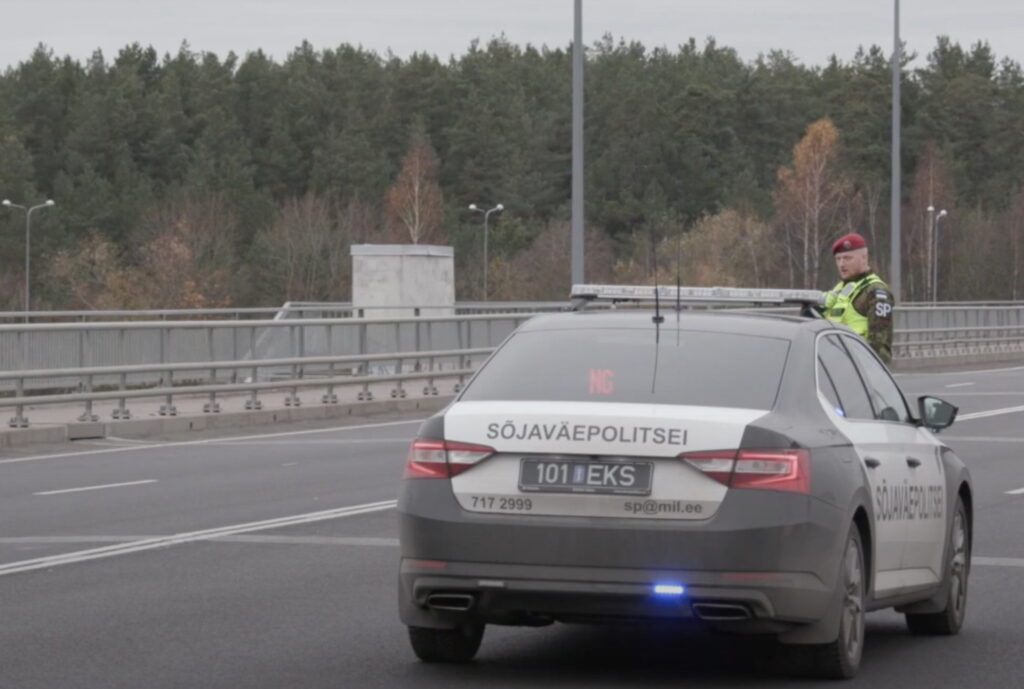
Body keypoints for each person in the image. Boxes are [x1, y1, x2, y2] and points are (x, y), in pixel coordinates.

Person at [822, 233, 894, 365]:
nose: (841, 264)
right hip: (834, 366)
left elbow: (880, 344)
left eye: (847, 258)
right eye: (838, 259)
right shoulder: (838, 290)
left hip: (859, 369)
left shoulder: (876, 291)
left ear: (864, 258)